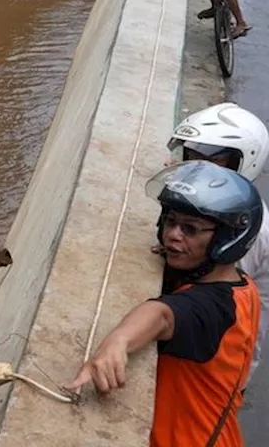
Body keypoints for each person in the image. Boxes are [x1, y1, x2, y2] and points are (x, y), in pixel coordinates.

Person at [65, 161, 261, 447]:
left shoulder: (212, 308)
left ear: (226, 239)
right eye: (170, 222)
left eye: (190, 229)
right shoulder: (242, 285)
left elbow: (163, 315)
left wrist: (118, 341)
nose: (172, 234)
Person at [168, 103, 269, 379]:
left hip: (221, 358)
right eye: (192, 157)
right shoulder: (225, 208)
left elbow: (213, 296)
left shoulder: (244, 230)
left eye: (213, 161)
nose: (199, 169)